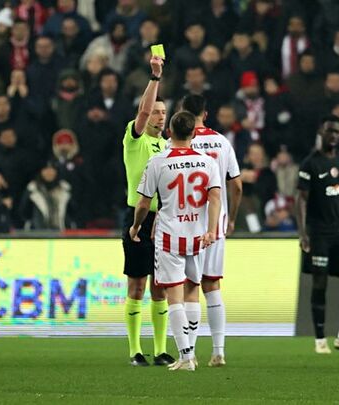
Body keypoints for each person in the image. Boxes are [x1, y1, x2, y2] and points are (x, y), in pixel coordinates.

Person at [129, 110, 221, 371]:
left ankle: (186, 356)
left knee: (173, 295)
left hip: (170, 236)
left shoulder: (158, 161)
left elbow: (144, 203)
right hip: (198, 235)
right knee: (192, 291)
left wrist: (136, 226)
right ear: (194, 133)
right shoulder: (207, 162)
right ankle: (191, 352)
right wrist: (211, 231)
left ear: (170, 132)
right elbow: (215, 198)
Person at [296, 114, 339, 355]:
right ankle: (320, 340)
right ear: (321, 132)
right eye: (330, 131)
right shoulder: (310, 164)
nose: (334, 135)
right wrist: (303, 232)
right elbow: (301, 199)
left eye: (337, 131)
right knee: (320, 282)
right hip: (320, 234)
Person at [181, 94, 243, 367]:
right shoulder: (222, 142)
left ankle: (189, 352)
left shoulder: (181, 141)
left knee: (189, 286)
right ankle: (218, 351)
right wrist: (231, 218)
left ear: (182, 113)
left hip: (187, 224)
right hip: (216, 224)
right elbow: (237, 185)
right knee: (212, 284)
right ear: (205, 114)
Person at [122, 54, 173, 366]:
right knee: (137, 284)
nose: (160, 117)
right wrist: (155, 77)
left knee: (160, 286)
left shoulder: (170, 147)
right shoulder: (135, 138)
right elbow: (142, 112)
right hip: (138, 217)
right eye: (156, 111)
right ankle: (134, 350)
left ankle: (160, 349)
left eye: (164, 113)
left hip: (164, 219)